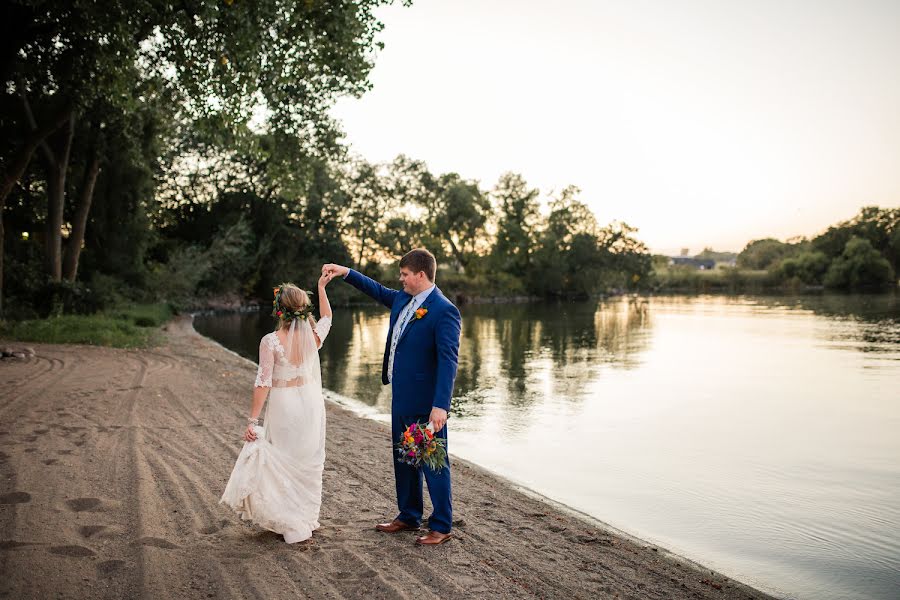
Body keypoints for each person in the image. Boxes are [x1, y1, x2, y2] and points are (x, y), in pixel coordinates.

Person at [323, 248, 461, 545]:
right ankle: (409, 515)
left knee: (434, 462)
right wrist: (345, 271)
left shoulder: (444, 310)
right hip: (401, 398)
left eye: (405, 275)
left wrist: (441, 406)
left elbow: (449, 361)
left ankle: (441, 525)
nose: (401, 279)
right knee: (404, 458)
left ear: (420, 275)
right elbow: (374, 288)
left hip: (427, 403)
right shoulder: (402, 299)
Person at [220, 274, 334, 543]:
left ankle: (292, 520)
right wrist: (321, 288)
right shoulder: (312, 339)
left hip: (285, 404)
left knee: (284, 458)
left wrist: (252, 420)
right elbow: (327, 318)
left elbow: (263, 382)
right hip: (310, 403)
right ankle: (306, 517)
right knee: (307, 460)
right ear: (303, 308)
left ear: (278, 309)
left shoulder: (270, 341)